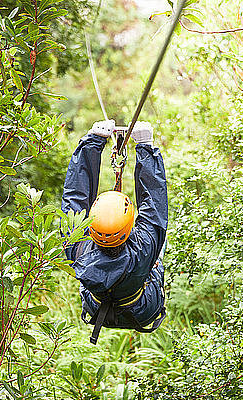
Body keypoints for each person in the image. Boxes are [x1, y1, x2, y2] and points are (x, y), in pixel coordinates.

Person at [61, 119, 168, 344]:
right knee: (158, 243)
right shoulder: (143, 249)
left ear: (90, 226)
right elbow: (154, 206)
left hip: (96, 305)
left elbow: (75, 199)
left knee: (154, 238)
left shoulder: (77, 245)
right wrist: (145, 147)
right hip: (142, 309)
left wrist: (92, 142)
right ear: (130, 227)